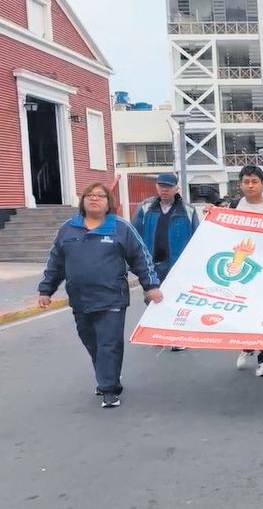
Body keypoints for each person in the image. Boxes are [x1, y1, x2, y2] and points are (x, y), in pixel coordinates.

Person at [38, 183, 163, 408]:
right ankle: (107, 375)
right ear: (83, 201)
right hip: (80, 299)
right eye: (90, 195)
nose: (94, 199)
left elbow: (140, 257)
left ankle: (109, 388)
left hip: (112, 298)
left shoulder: (120, 227)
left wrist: (151, 285)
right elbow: (56, 262)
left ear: (108, 203)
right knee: (92, 342)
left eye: (100, 196)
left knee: (109, 343)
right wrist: (46, 290)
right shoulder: (68, 228)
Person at [131, 173, 199, 352]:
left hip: (178, 265)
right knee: (152, 298)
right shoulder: (145, 208)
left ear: (177, 189)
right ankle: (159, 332)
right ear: (156, 187)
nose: (164, 190)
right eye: (161, 186)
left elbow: (197, 238)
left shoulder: (188, 210)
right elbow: (133, 234)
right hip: (152, 264)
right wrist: (134, 261)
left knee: (178, 300)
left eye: (168, 187)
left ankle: (177, 336)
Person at [231, 165, 263, 377]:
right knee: (244, 311)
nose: (250, 186)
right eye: (246, 182)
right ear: (241, 185)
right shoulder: (233, 207)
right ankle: (247, 346)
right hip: (242, 269)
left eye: (254, 182)